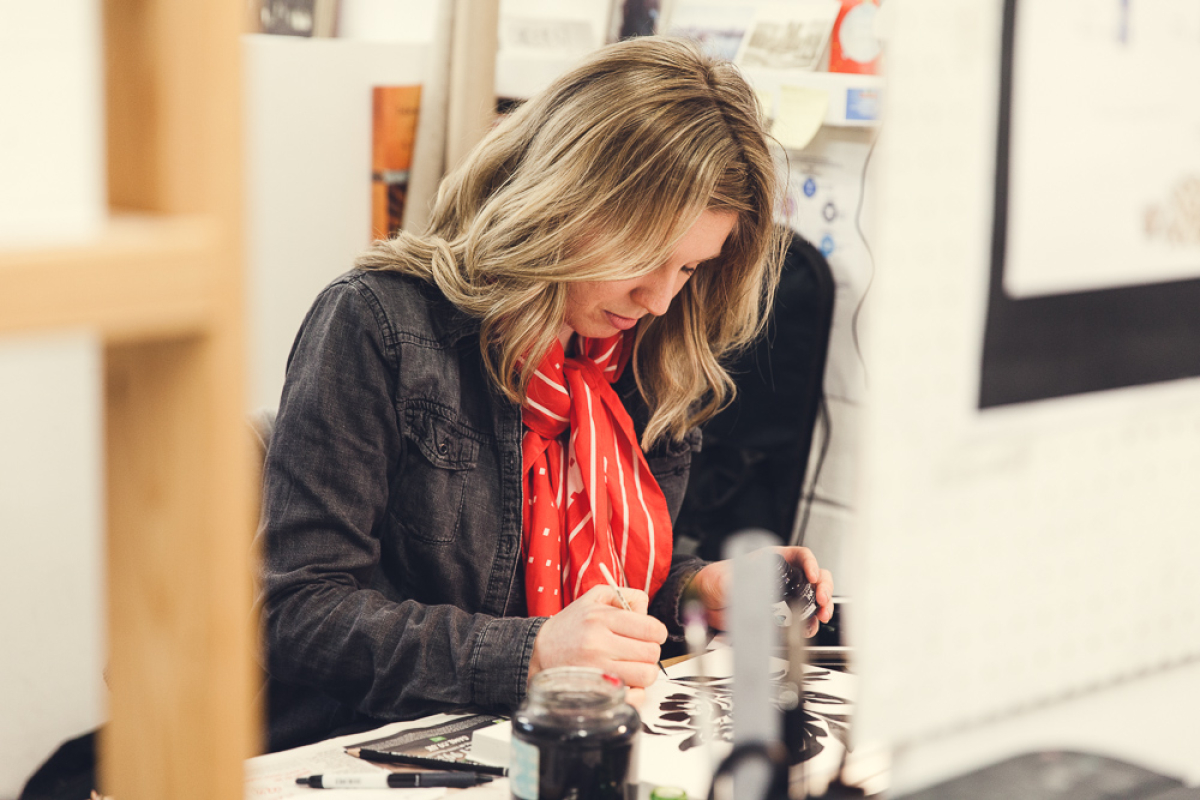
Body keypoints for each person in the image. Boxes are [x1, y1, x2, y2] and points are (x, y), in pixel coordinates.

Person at [257, 35, 835, 753]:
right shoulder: (379, 324)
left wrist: (699, 591)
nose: (659, 299)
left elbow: (599, 604)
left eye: (688, 269)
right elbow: (295, 613)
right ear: (567, 200)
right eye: (647, 256)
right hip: (370, 750)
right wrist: (529, 656)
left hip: (554, 742)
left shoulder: (649, 361)